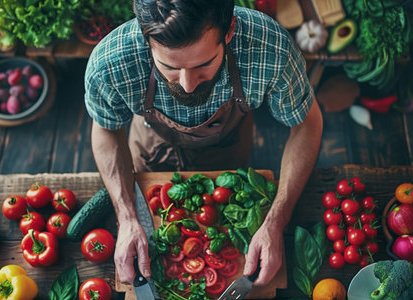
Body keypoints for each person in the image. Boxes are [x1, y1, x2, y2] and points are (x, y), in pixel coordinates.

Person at [84, 0, 323, 287]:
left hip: (230, 148)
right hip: (149, 147)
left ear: (230, 31)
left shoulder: (272, 50)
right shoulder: (110, 62)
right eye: (169, 66)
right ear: (145, 38)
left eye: (204, 64)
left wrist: (275, 221)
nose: (187, 84)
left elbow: (307, 124)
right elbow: (106, 129)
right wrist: (125, 217)